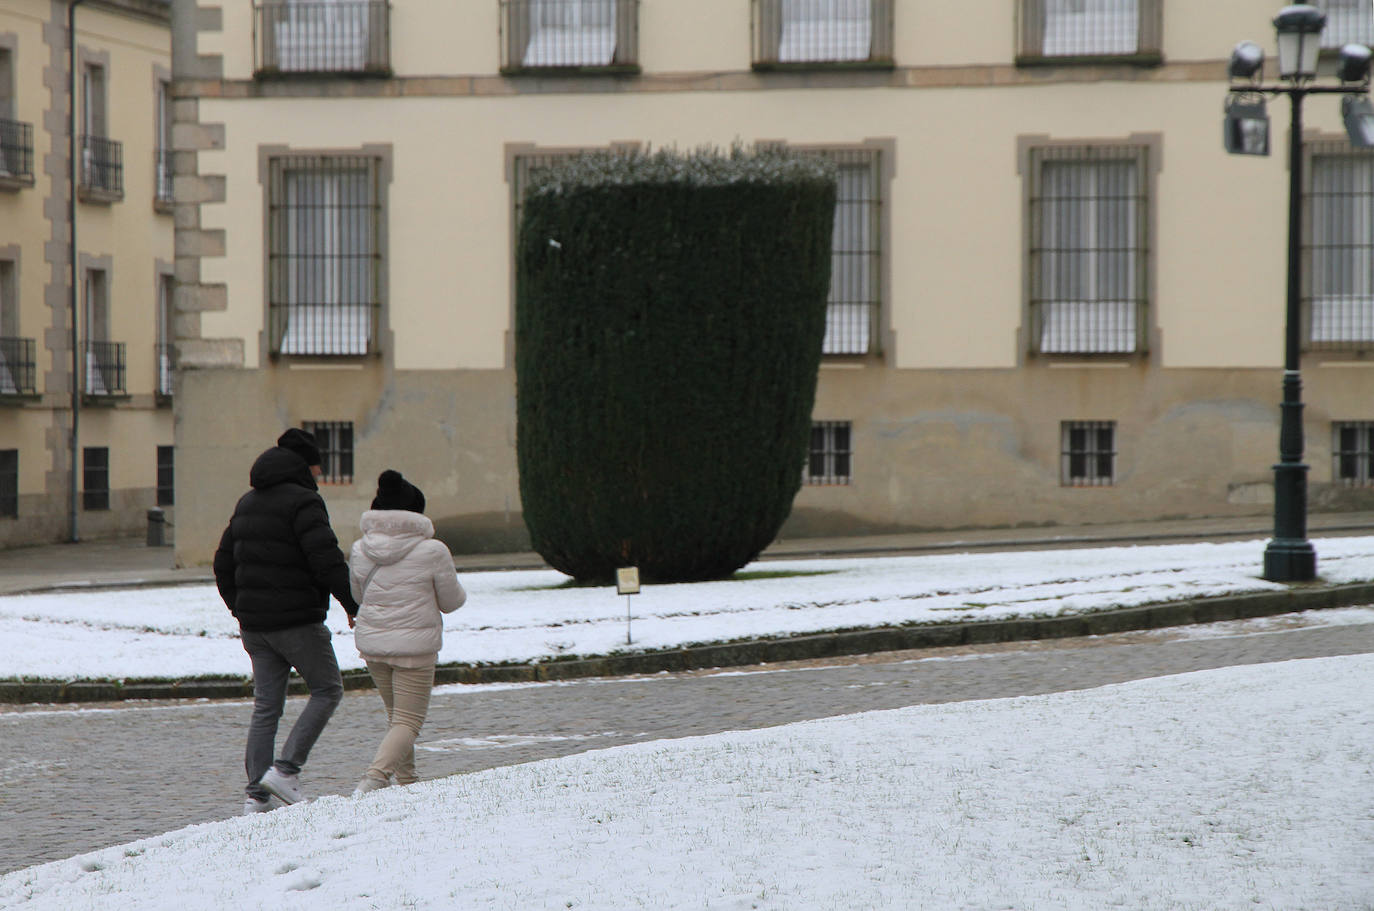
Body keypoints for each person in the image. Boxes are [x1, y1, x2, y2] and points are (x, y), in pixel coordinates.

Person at [213, 428, 360, 815]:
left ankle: (256, 796)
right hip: (297, 622)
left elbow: (223, 563)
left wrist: (240, 608)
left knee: (266, 706)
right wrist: (352, 603)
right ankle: (285, 770)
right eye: (317, 467)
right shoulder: (305, 502)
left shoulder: (247, 502)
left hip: (255, 627)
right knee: (328, 689)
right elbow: (325, 559)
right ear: (308, 465)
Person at [348, 469, 466, 795]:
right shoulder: (433, 551)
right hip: (415, 648)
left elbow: (359, 597)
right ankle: (373, 780)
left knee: (396, 717)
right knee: (409, 721)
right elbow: (452, 601)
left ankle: (408, 783)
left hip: (374, 646)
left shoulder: (360, 549)